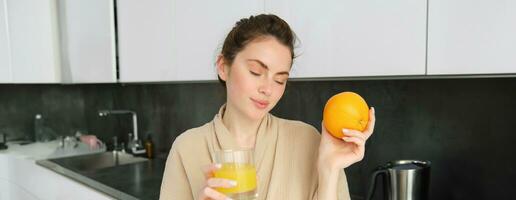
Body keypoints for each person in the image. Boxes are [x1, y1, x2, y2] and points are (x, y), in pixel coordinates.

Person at [159, 14, 376, 200]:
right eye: (255, 72)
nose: (268, 89)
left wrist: (329, 170)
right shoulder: (187, 149)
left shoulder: (308, 140)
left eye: (280, 80)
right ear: (223, 67)